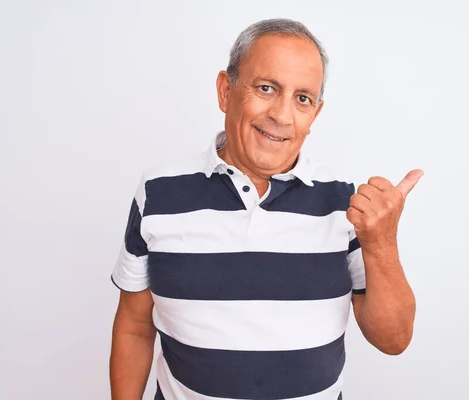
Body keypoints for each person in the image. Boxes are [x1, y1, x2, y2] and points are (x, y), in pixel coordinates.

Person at [109, 18, 423, 400]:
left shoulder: (345, 202)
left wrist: (382, 243)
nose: (282, 114)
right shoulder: (159, 192)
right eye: (266, 88)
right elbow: (134, 326)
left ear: (315, 114)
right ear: (226, 90)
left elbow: (394, 340)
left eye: (302, 98)